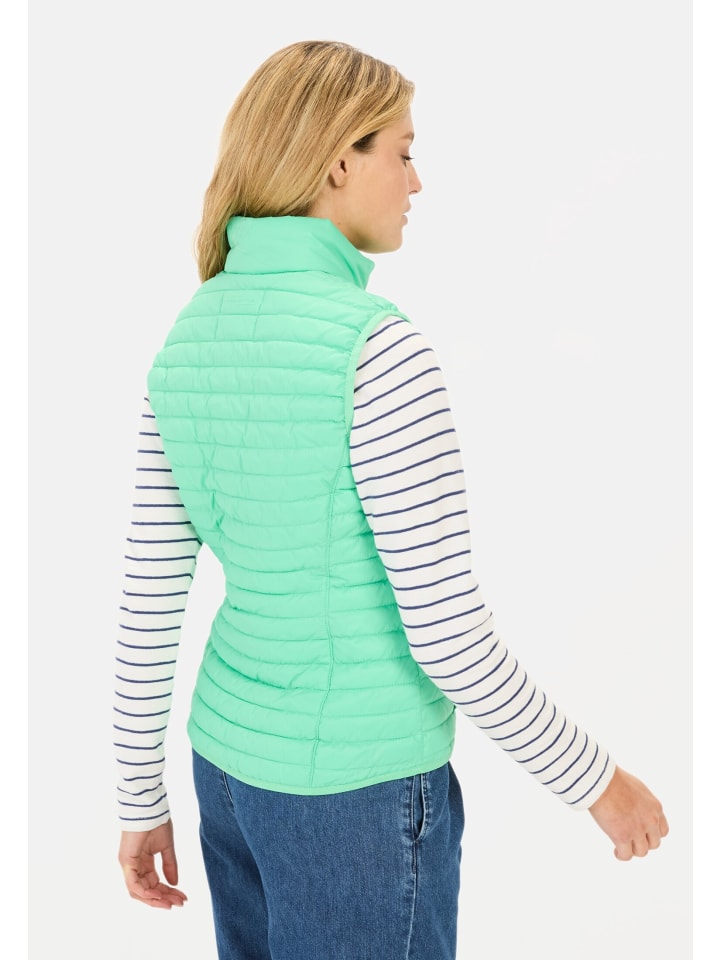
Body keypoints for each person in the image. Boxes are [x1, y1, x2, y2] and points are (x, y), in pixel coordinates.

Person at [114, 39, 668, 960]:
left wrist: (140, 798)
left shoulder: (188, 339)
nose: (417, 182)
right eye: (403, 152)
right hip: (355, 801)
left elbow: (147, 599)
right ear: (339, 160)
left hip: (228, 777)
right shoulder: (377, 350)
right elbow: (449, 636)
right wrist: (598, 783)